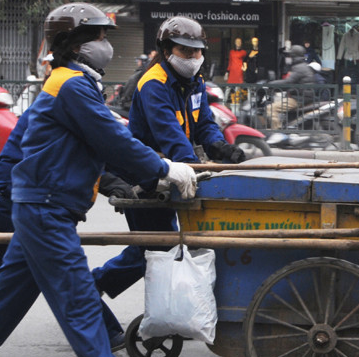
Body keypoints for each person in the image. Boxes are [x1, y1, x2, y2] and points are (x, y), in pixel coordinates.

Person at [0, 3, 199, 357]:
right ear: (74, 44)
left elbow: (104, 143)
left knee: (8, 292)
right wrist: (164, 168)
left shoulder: (72, 83)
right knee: (79, 302)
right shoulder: (71, 86)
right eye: (98, 38)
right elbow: (112, 140)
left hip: (40, 203)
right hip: (46, 207)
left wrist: (150, 171)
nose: (105, 46)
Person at [0, 112, 131, 357]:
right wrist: (117, 178)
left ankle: (105, 333)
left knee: (58, 267)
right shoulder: (62, 96)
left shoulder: (75, 93)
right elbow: (65, 152)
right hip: (17, 194)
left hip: (37, 197)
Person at [92, 16, 245, 301]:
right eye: (186, 51)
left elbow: (203, 124)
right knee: (155, 247)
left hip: (175, 170)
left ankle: (169, 308)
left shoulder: (195, 81)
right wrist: (194, 168)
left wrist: (220, 147)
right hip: (146, 176)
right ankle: (94, 285)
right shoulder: (153, 84)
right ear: (166, 51)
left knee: (164, 246)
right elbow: (170, 134)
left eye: (197, 51)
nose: (193, 57)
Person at [267, 45, 316, 129]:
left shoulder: (299, 68)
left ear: (294, 56)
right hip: (302, 97)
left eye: (290, 56)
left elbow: (288, 82)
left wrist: (271, 84)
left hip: (299, 98)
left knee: (271, 108)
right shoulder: (303, 66)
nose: (288, 58)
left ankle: (277, 132)